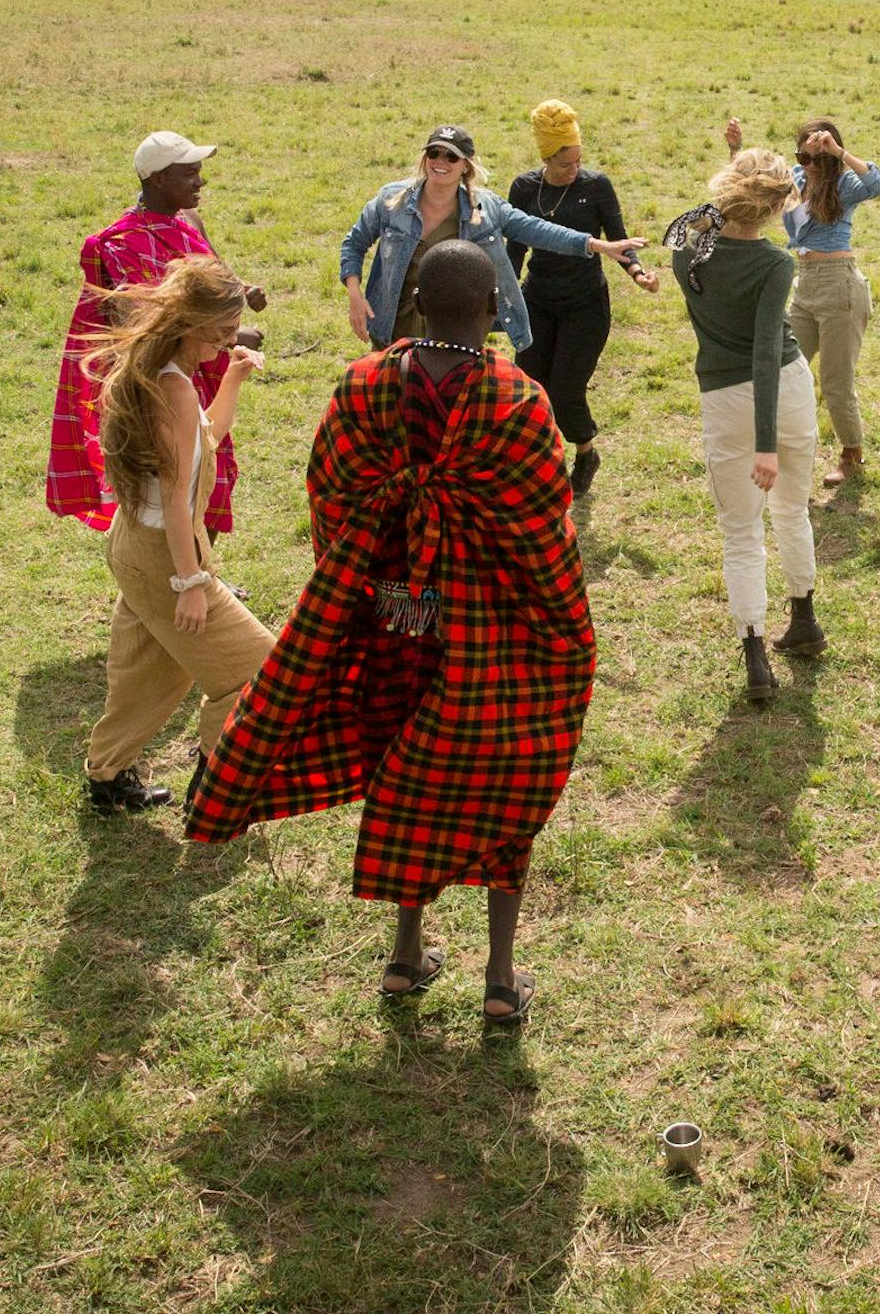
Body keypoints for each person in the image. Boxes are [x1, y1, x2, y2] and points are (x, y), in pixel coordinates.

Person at [183, 243, 595, 1026]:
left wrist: (380, 589)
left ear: (415, 300)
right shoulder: (517, 400)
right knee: (504, 787)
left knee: (400, 770)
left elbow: (329, 496)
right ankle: (501, 981)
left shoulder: (364, 384)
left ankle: (407, 956)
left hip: (387, 628)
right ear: (492, 309)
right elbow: (546, 533)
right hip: (490, 641)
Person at [78, 255, 275, 815]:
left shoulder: (156, 375)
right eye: (219, 334)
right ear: (190, 326)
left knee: (149, 672)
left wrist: (234, 376)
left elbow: (203, 438)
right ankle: (216, 788)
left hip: (135, 543)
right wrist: (191, 580)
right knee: (259, 670)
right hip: (166, 554)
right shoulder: (173, 389)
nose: (224, 343)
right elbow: (173, 492)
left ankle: (109, 776)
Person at [48, 131, 267, 545]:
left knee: (211, 474)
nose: (200, 181)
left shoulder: (188, 222)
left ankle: (200, 569)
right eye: (190, 173)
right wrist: (232, 335)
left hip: (202, 374)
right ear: (158, 179)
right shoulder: (120, 243)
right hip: (159, 385)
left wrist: (241, 291)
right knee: (172, 482)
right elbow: (147, 324)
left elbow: (208, 278)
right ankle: (173, 579)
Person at [668, 150, 825, 703]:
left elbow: (687, 227)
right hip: (786, 389)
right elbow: (765, 353)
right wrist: (767, 445)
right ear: (778, 205)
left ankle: (756, 654)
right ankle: (804, 618)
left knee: (741, 532)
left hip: (727, 399)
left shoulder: (687, 254)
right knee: (792, 510)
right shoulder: (777, 264)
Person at [339, 124, 645, 356]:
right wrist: (355, 295)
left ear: (465, 166)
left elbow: (536, 229)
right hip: (392, 327)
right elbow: (354, 243)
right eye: (434, 153)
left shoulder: (485, 209)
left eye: (451, 156)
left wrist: (595, 244)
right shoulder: (392, 200)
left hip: (454, 332)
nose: (440, 161)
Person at [724, 114, 880, 485]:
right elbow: (750, 186)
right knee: (783, 370)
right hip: (803, 286)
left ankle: (851, 453)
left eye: (820, 159)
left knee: (835, 381)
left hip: (840, 286)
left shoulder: (845, 184)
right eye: (805, 158)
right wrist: (736, 148)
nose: (812, 166)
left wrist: (838, 152)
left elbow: (877, 183)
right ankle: (781, 447)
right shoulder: (795, 182)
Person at [509, 98, 662, 498]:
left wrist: (638, 273)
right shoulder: (525, 188)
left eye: (578, 161)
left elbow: (619, 240)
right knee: (529, 385)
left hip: (585, 305)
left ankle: (586, 452)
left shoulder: (596, 187)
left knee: (565, 389)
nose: (574, 169)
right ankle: (538, 461)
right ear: (547, 156)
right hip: (537, 300)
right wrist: (500, 296)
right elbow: (514, 251)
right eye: (565, 164)